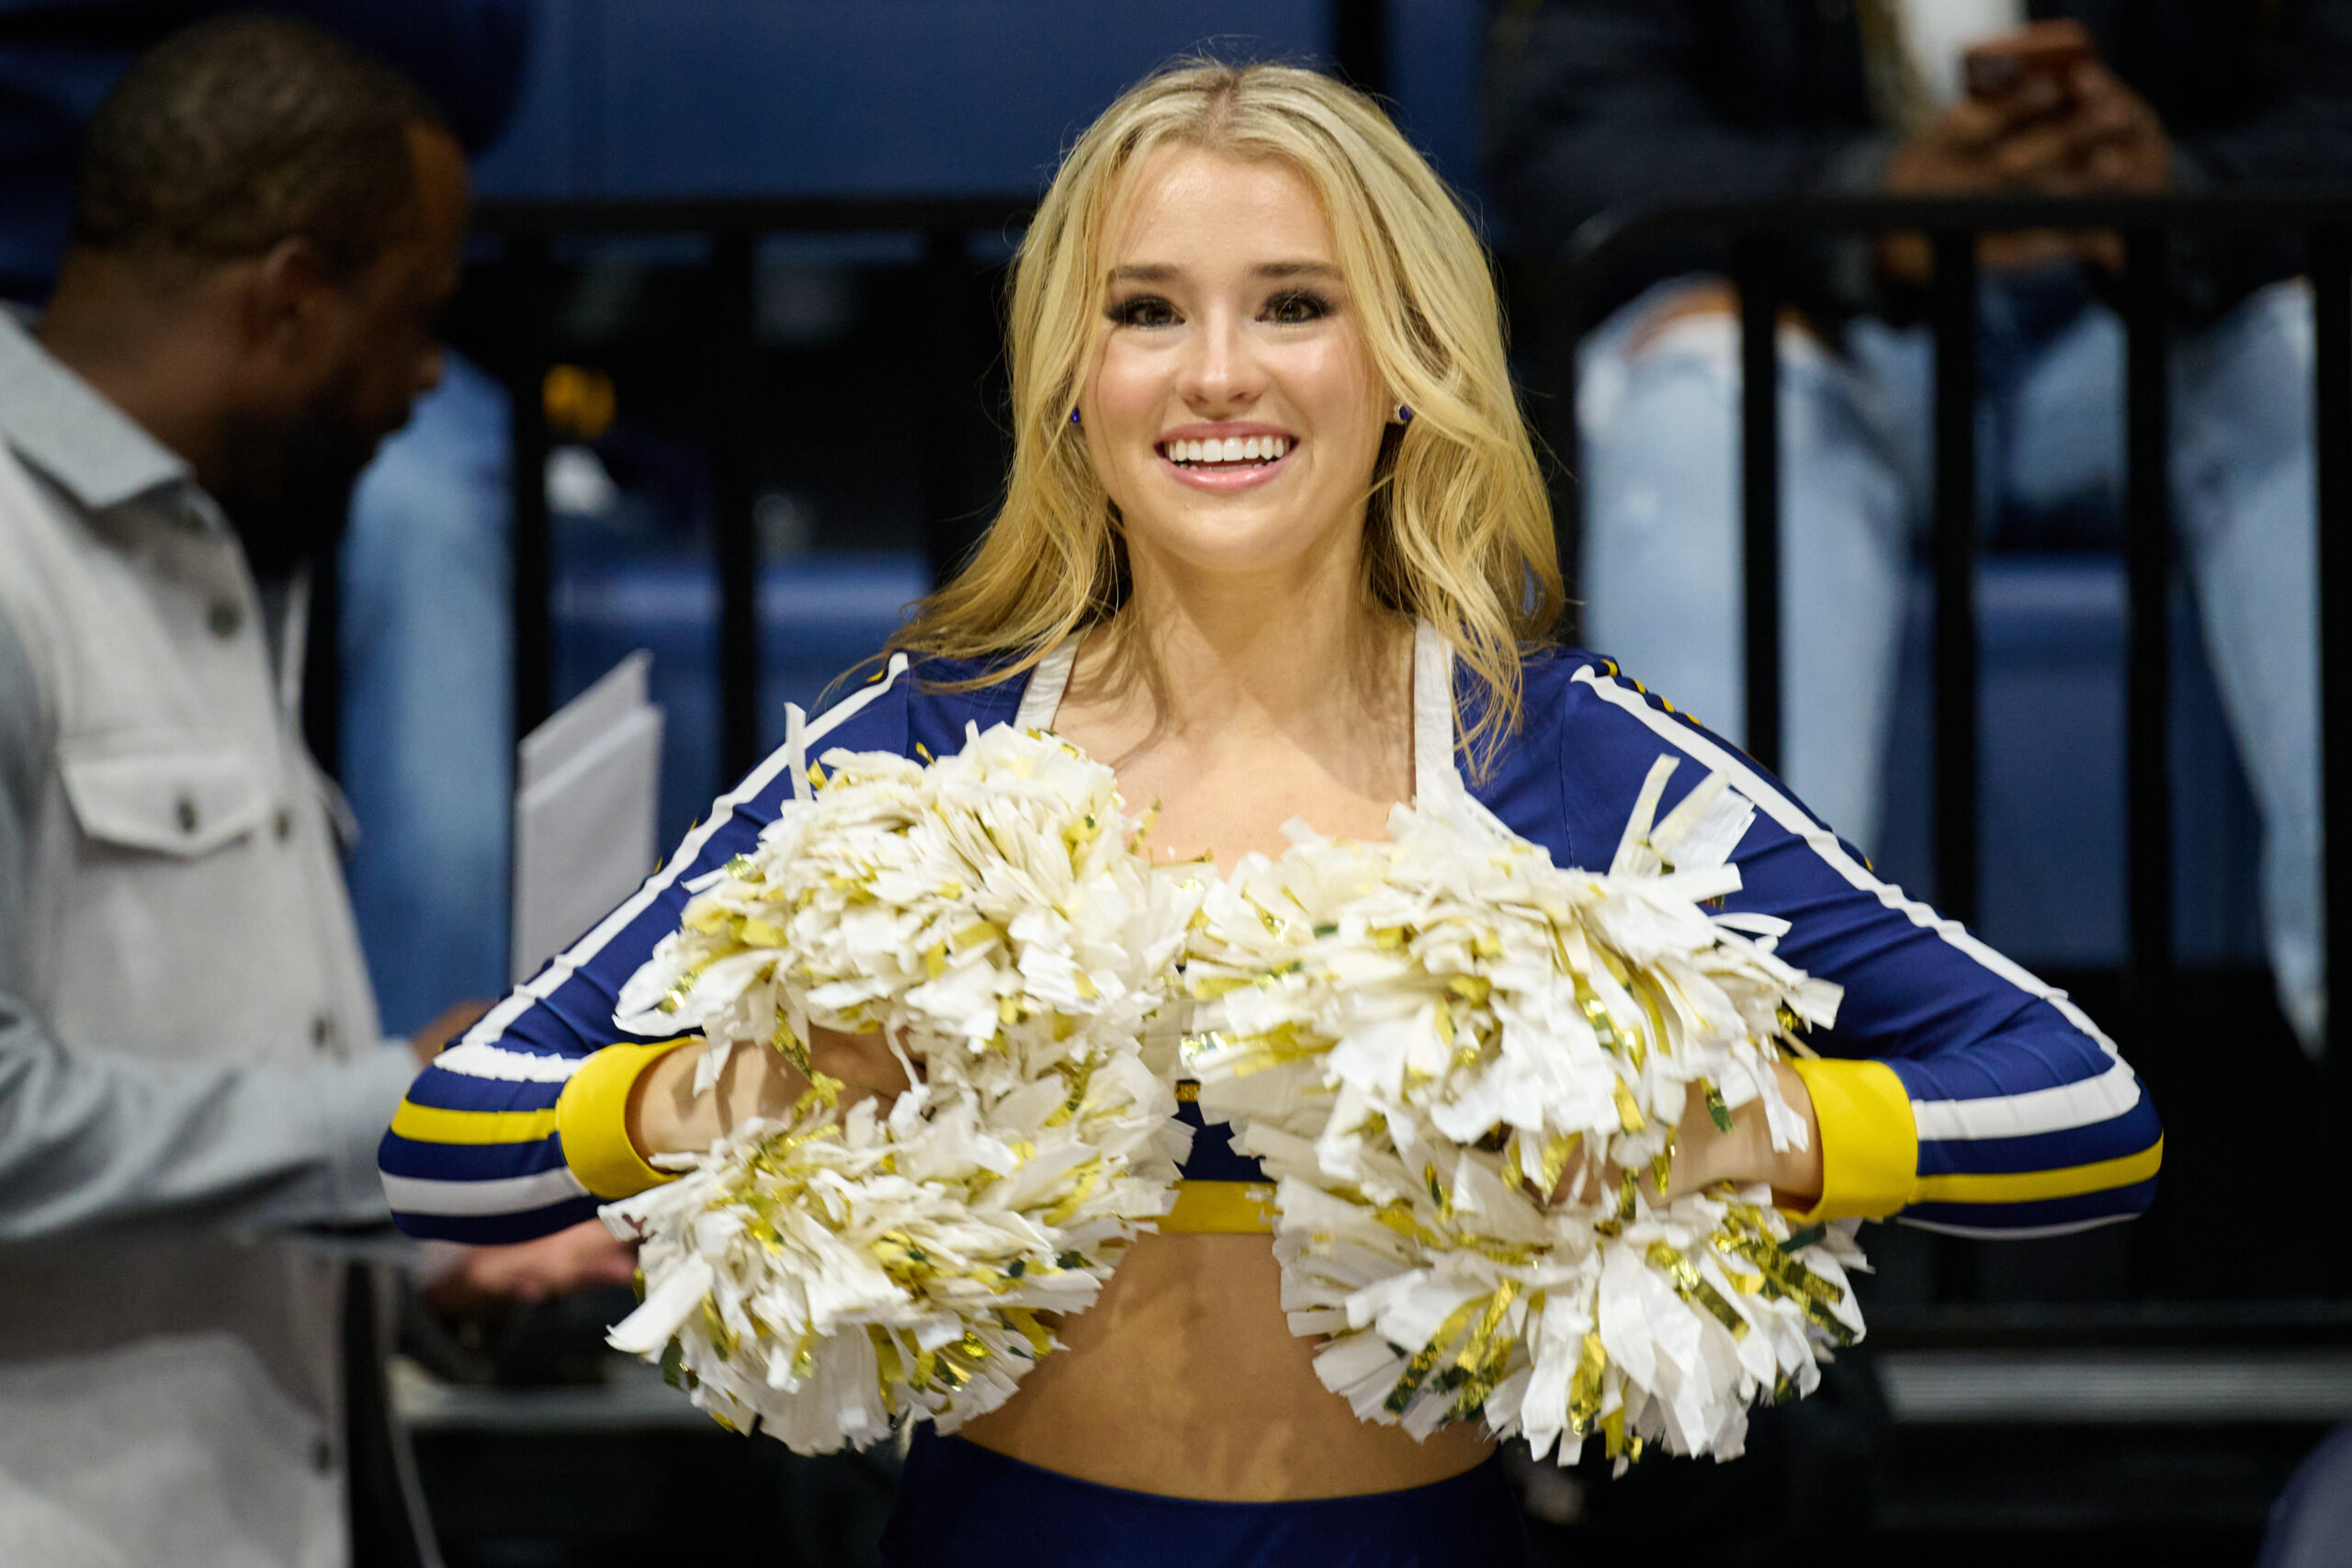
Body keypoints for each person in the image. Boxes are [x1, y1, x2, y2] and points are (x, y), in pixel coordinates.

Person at [382, 61, 2163, 1563]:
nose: (1215, 372)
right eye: (1144, 310)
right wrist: (752, 1083)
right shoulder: (917, 738)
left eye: (1292, 304)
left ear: (1401, 363)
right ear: (1069, 379)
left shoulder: (1552, 750)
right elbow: (452, 1137)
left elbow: (2083, 1111)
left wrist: (1697, 1126)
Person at [0, 18, 623, 1566]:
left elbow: (199, 1054)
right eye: (418, 318)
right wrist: (396, 1125)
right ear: (288, 298)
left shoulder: (213, 541)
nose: (427, 380)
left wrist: (418, 1254)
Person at [1487, 2, 2352, 1055]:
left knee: (2316, 364)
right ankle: (1729, 1086)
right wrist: (1870, 203)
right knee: (1707, 396)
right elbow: (1571, 148)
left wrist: (2175, 191)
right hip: (1820, 331)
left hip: (2165, 329)